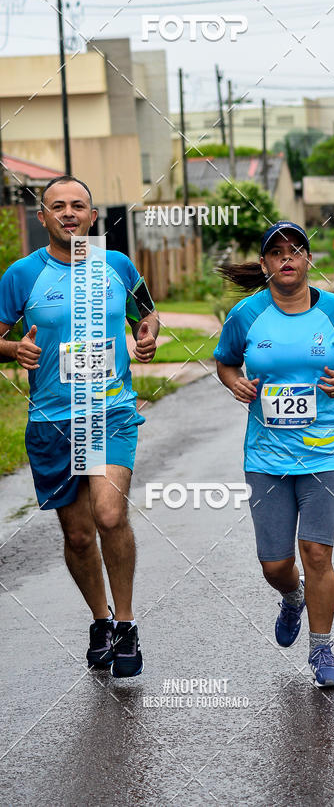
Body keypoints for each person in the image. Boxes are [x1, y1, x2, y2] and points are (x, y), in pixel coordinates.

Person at [0, 176, 159, 677]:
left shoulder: (116, 264)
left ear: (93, 216)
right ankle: (101, 620)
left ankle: (129, 625)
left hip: (109, 410)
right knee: (77, 536)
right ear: (42, 217)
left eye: (79, 206)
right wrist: (11, 349)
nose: (69, 213)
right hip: (52, 420)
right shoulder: (21, 276)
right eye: (57, 206)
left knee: (109, 515)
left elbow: (147, 313)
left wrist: (146, 335)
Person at [214, 221, 334, 688]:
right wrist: (235, 382)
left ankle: (321, 648)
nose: (287, 258)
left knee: (317, 552)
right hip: (266, 456)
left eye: (296, 250)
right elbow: (225, 361)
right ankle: (291, 598)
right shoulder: (246, 314)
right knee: (275, 564)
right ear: (265, 264)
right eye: (277, 252)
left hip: (327, 452)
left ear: (308, 260)